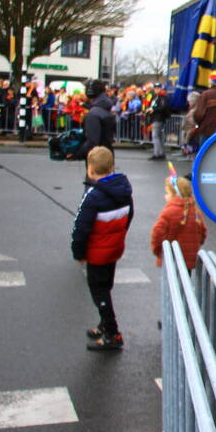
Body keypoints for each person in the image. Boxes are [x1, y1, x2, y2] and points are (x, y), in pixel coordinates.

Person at [72, 146, 134, 351]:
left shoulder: (93, 196)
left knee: (98, 291)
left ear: (90, 169)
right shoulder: (124, 190)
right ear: (112, 166)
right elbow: (129, 216)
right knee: (105, 286)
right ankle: (104, 322)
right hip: (114, 248)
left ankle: (112, 332)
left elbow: (81, 228)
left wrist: (78, 253)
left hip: (97, 252)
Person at [151, 175, 207, 270]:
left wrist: (158, 251)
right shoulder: (196, 211)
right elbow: (202, 233)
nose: (165, 196)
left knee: (171, 283)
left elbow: (157, 233)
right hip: (189, 260)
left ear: (175, 195)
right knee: (185, 283)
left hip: (170, 259)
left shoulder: (168, 212)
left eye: (167, 193)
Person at [74, 80, 116, 160]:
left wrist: (77, 154)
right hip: (106, 152)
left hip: (97, 156)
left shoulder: (95, 112)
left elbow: (92, 141)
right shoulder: (104, 106)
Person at [190, 72, 216, 145]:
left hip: (206, 129)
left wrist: (198, 124)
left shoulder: (205, 94)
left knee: (205, 153)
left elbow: (199, 114)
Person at [147, 82, 170, 160]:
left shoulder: (163, 97)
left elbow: (163, 107)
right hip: (155, 118)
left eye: (158, 88)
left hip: (159, 118)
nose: (156, 90)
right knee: (159, 136)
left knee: (155, 136)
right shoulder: (155, 97)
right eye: (155, 88)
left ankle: (157, 154)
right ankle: (160, 153)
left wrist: (153, 109)